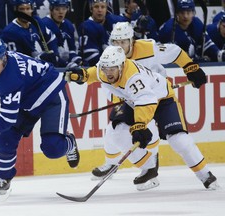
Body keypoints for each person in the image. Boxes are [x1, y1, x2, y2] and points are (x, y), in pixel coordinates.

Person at [66, 44, 220, 190]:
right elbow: (96, 73)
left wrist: (140, 125)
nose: (108, 73)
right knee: (117, 132)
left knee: (179, 140)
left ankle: (206, 175)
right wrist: (83, 75)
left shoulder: (133, 77)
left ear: (121, 66)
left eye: (112, 69)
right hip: (136, 101)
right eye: (106, 69)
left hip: (162, 100)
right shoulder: (104, 70)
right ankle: (149, 168)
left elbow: (146, 101)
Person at [0, 38, 80, 196]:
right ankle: (4, 180)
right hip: (25, 98)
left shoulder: (11, 79)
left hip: (50, 95)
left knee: (52, 148)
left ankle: (70, 142)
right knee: (6, 138)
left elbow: (7, 119)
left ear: (4, 58)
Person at [159, 0, 224, 62]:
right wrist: (195, 60)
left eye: (188, 12)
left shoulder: (197, 24)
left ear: (193, 13)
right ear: (177, 14)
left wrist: (220, 55)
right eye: (182, 12)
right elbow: (169, 57)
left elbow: (208, 45)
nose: (185, 16)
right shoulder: (169, 29)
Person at [0, 0, 60, 66]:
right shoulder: (10, 32)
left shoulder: (36, 21)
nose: (25, 12)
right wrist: (39, 58)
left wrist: (55, 55)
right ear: (16, 10)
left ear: (32, 10)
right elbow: (17, 61)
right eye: (22, 9)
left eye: (28, 8)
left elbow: (51, 38)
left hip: (43, 65)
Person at [77, 0, 127, 66]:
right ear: (91, 9)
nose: (100, 10)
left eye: (103, 7)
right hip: (96, 67)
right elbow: (91, 57)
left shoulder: (113, 21)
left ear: (107, 9)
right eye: (96, 7)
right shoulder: (87, 26)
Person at [42, 0, 84, 68]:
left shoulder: (68, 25)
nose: (61, 12)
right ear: (51, 10)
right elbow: (50, 55)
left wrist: (78, 61)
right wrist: (67, 64)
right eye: (57, 9)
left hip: (61, 59)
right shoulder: (44, 24)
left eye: (64, 9)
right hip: (47, 62)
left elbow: (72, 51)